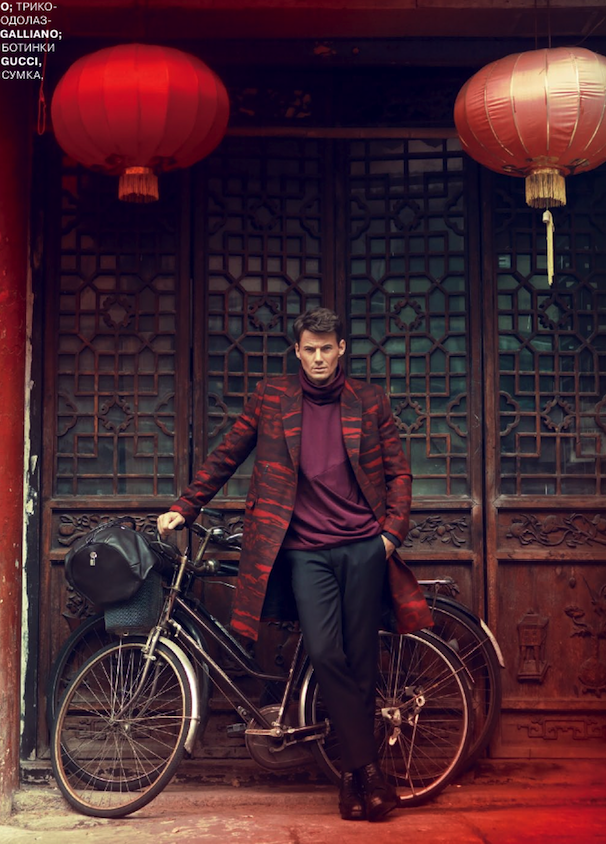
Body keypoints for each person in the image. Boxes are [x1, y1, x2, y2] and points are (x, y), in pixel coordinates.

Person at [157, 307, 433, 822]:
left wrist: (390, 536)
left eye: (327, 348)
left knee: (362, 661)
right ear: (298, 351)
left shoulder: (370, 400)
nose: (319, 358)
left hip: (363, 547)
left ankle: (353, 782)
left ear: (342, 348)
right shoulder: (271, 397)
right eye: (310, 349)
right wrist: (185, 506)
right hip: (305, 551)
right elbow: (226, 455)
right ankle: (371, 772)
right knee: (326, 654)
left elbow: (399, 472)